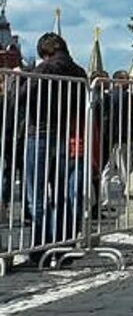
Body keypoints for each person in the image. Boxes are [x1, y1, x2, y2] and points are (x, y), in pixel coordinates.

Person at [22, 33, 86, 246]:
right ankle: (62, 242)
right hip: (64, 133)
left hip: (39, 131)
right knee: (60, 193)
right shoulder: (79, 72)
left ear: (45, 52)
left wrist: (19, 79)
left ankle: (40, 246)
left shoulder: (44, 69)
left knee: (37, 195)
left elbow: (21, 97)